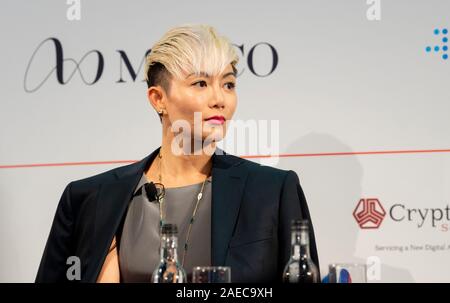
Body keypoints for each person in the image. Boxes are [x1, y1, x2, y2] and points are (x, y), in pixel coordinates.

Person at [35, 24, 319, 283]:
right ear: (159, 99)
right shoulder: (90, 200)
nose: (220, 99)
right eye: (201, 84)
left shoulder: (272, 191)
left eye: (228, 84)